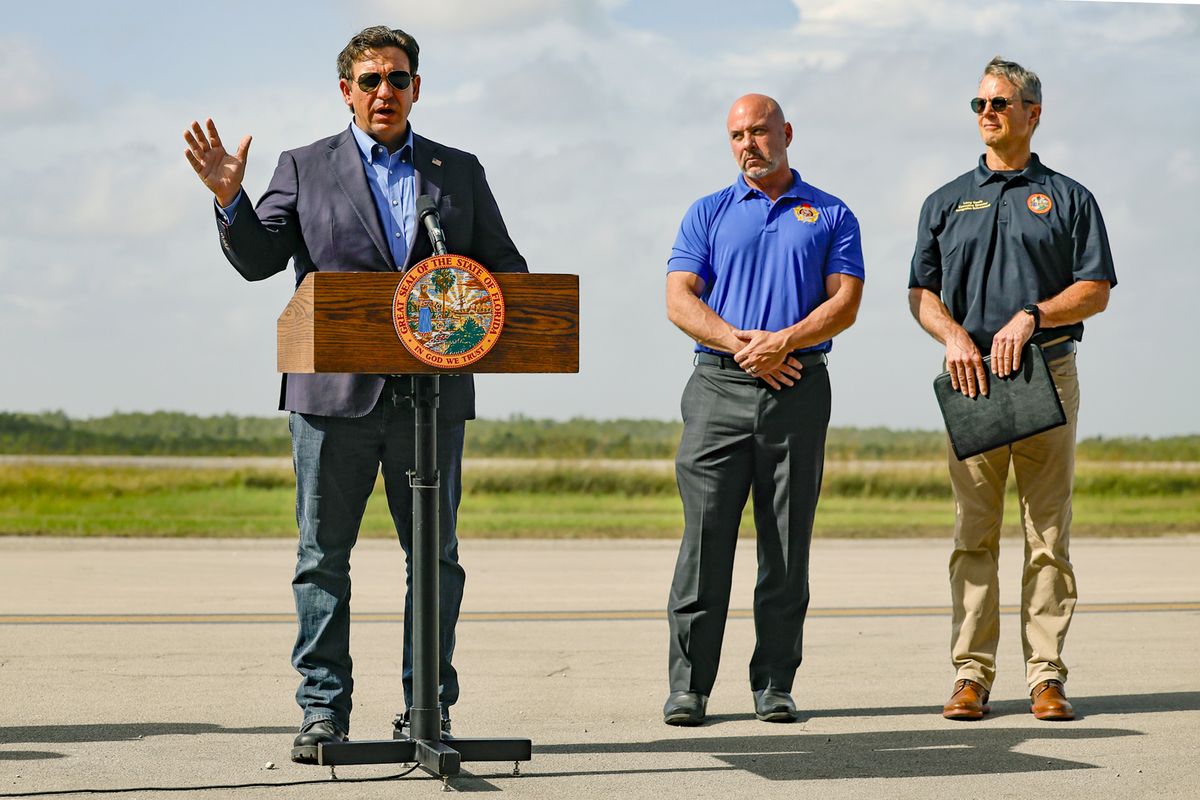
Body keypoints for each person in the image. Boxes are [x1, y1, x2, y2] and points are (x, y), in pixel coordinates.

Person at [183, 25, 527, 760]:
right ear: (346, 91)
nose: (384, 92)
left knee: (434, 560)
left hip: (430, 403)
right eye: (369, 81)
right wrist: (229, 199)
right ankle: (323, 712)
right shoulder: (305, 167)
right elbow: (258, 260)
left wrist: (470, 297)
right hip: (332, 399)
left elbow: (505, 270)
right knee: (322, 559)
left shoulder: (456, 172)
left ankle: (426, 710)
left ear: (416, 89)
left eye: (397, 79)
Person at [907, 57, 1116, 722]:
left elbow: (1096, 289)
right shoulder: (944, 201)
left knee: (1047, 536)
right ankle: (970, 676)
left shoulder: (1070, 197)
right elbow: (921, 292)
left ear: (1033, 113)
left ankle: (1046, 678)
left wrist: (1034, 314)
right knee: (974, 534)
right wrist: (953, 336)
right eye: (978, 104)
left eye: (999, 102)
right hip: (969, 378)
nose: (986, 113)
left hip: (1046, 373)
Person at [663, 94, 864, 726]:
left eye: (759, 131)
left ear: (787, 133)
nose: (749, 144)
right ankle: (689, 688)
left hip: (798, 389)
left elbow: (847, 302)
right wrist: (747, 346)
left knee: (784, 546)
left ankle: (774, 683)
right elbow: (679, 299)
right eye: (736, 136)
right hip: (717, 389)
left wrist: (785, 341)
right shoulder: (708, 212)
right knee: (704, 543)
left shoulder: (831, 213)